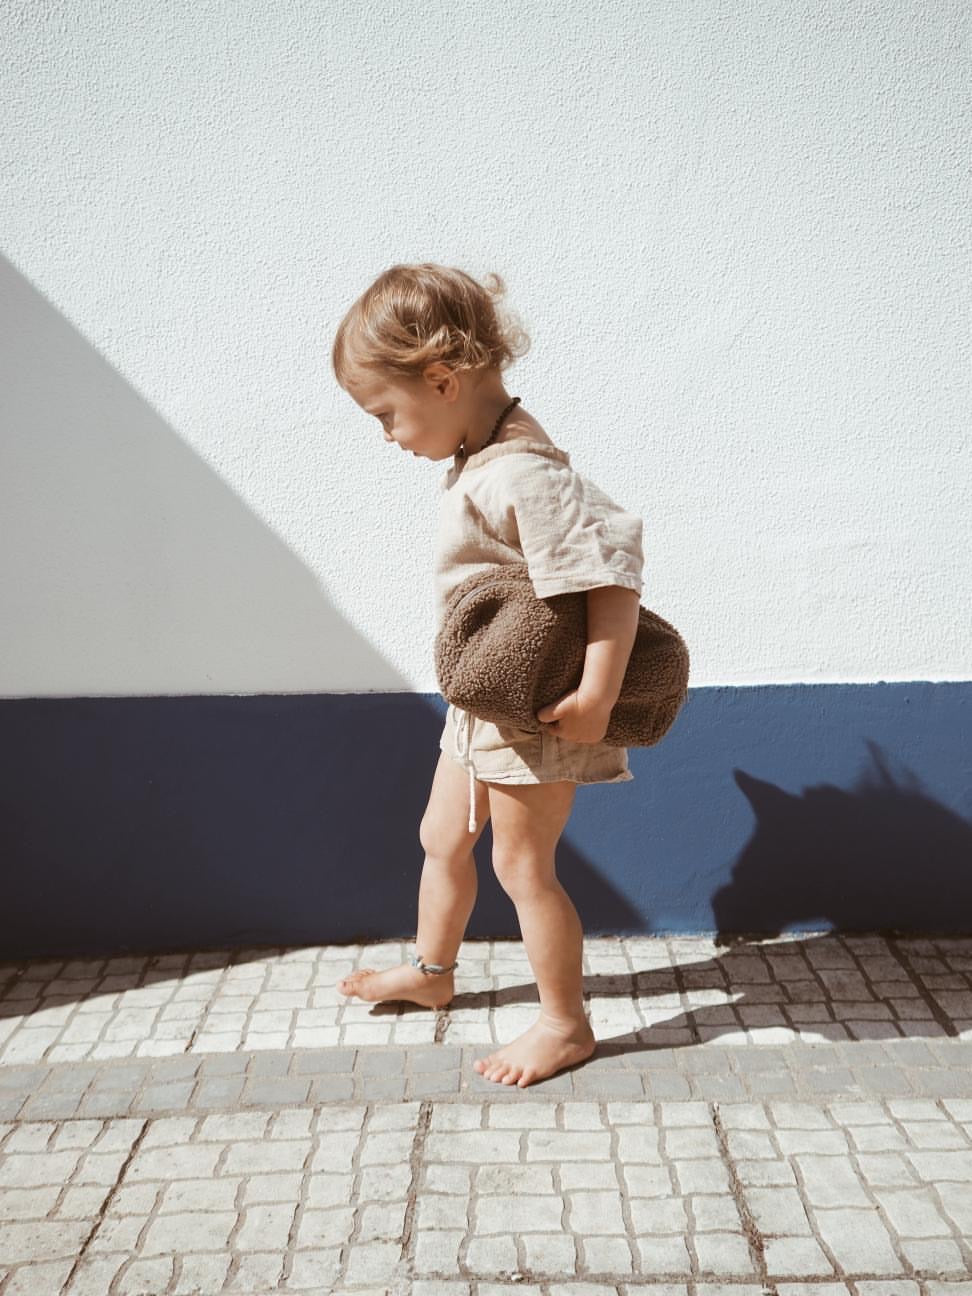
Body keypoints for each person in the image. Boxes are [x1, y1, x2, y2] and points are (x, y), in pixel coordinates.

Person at [331, 263, 645, 1088]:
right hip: (481, 707)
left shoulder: (523, 470)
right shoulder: (484, 458)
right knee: (442, 838)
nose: (387, 435)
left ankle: (564, 1024)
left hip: (533, 714)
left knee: (521, 867)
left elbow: (609, 580)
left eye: (385, 414)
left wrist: (598, 697)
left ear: (441, 380)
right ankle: (434, 976)